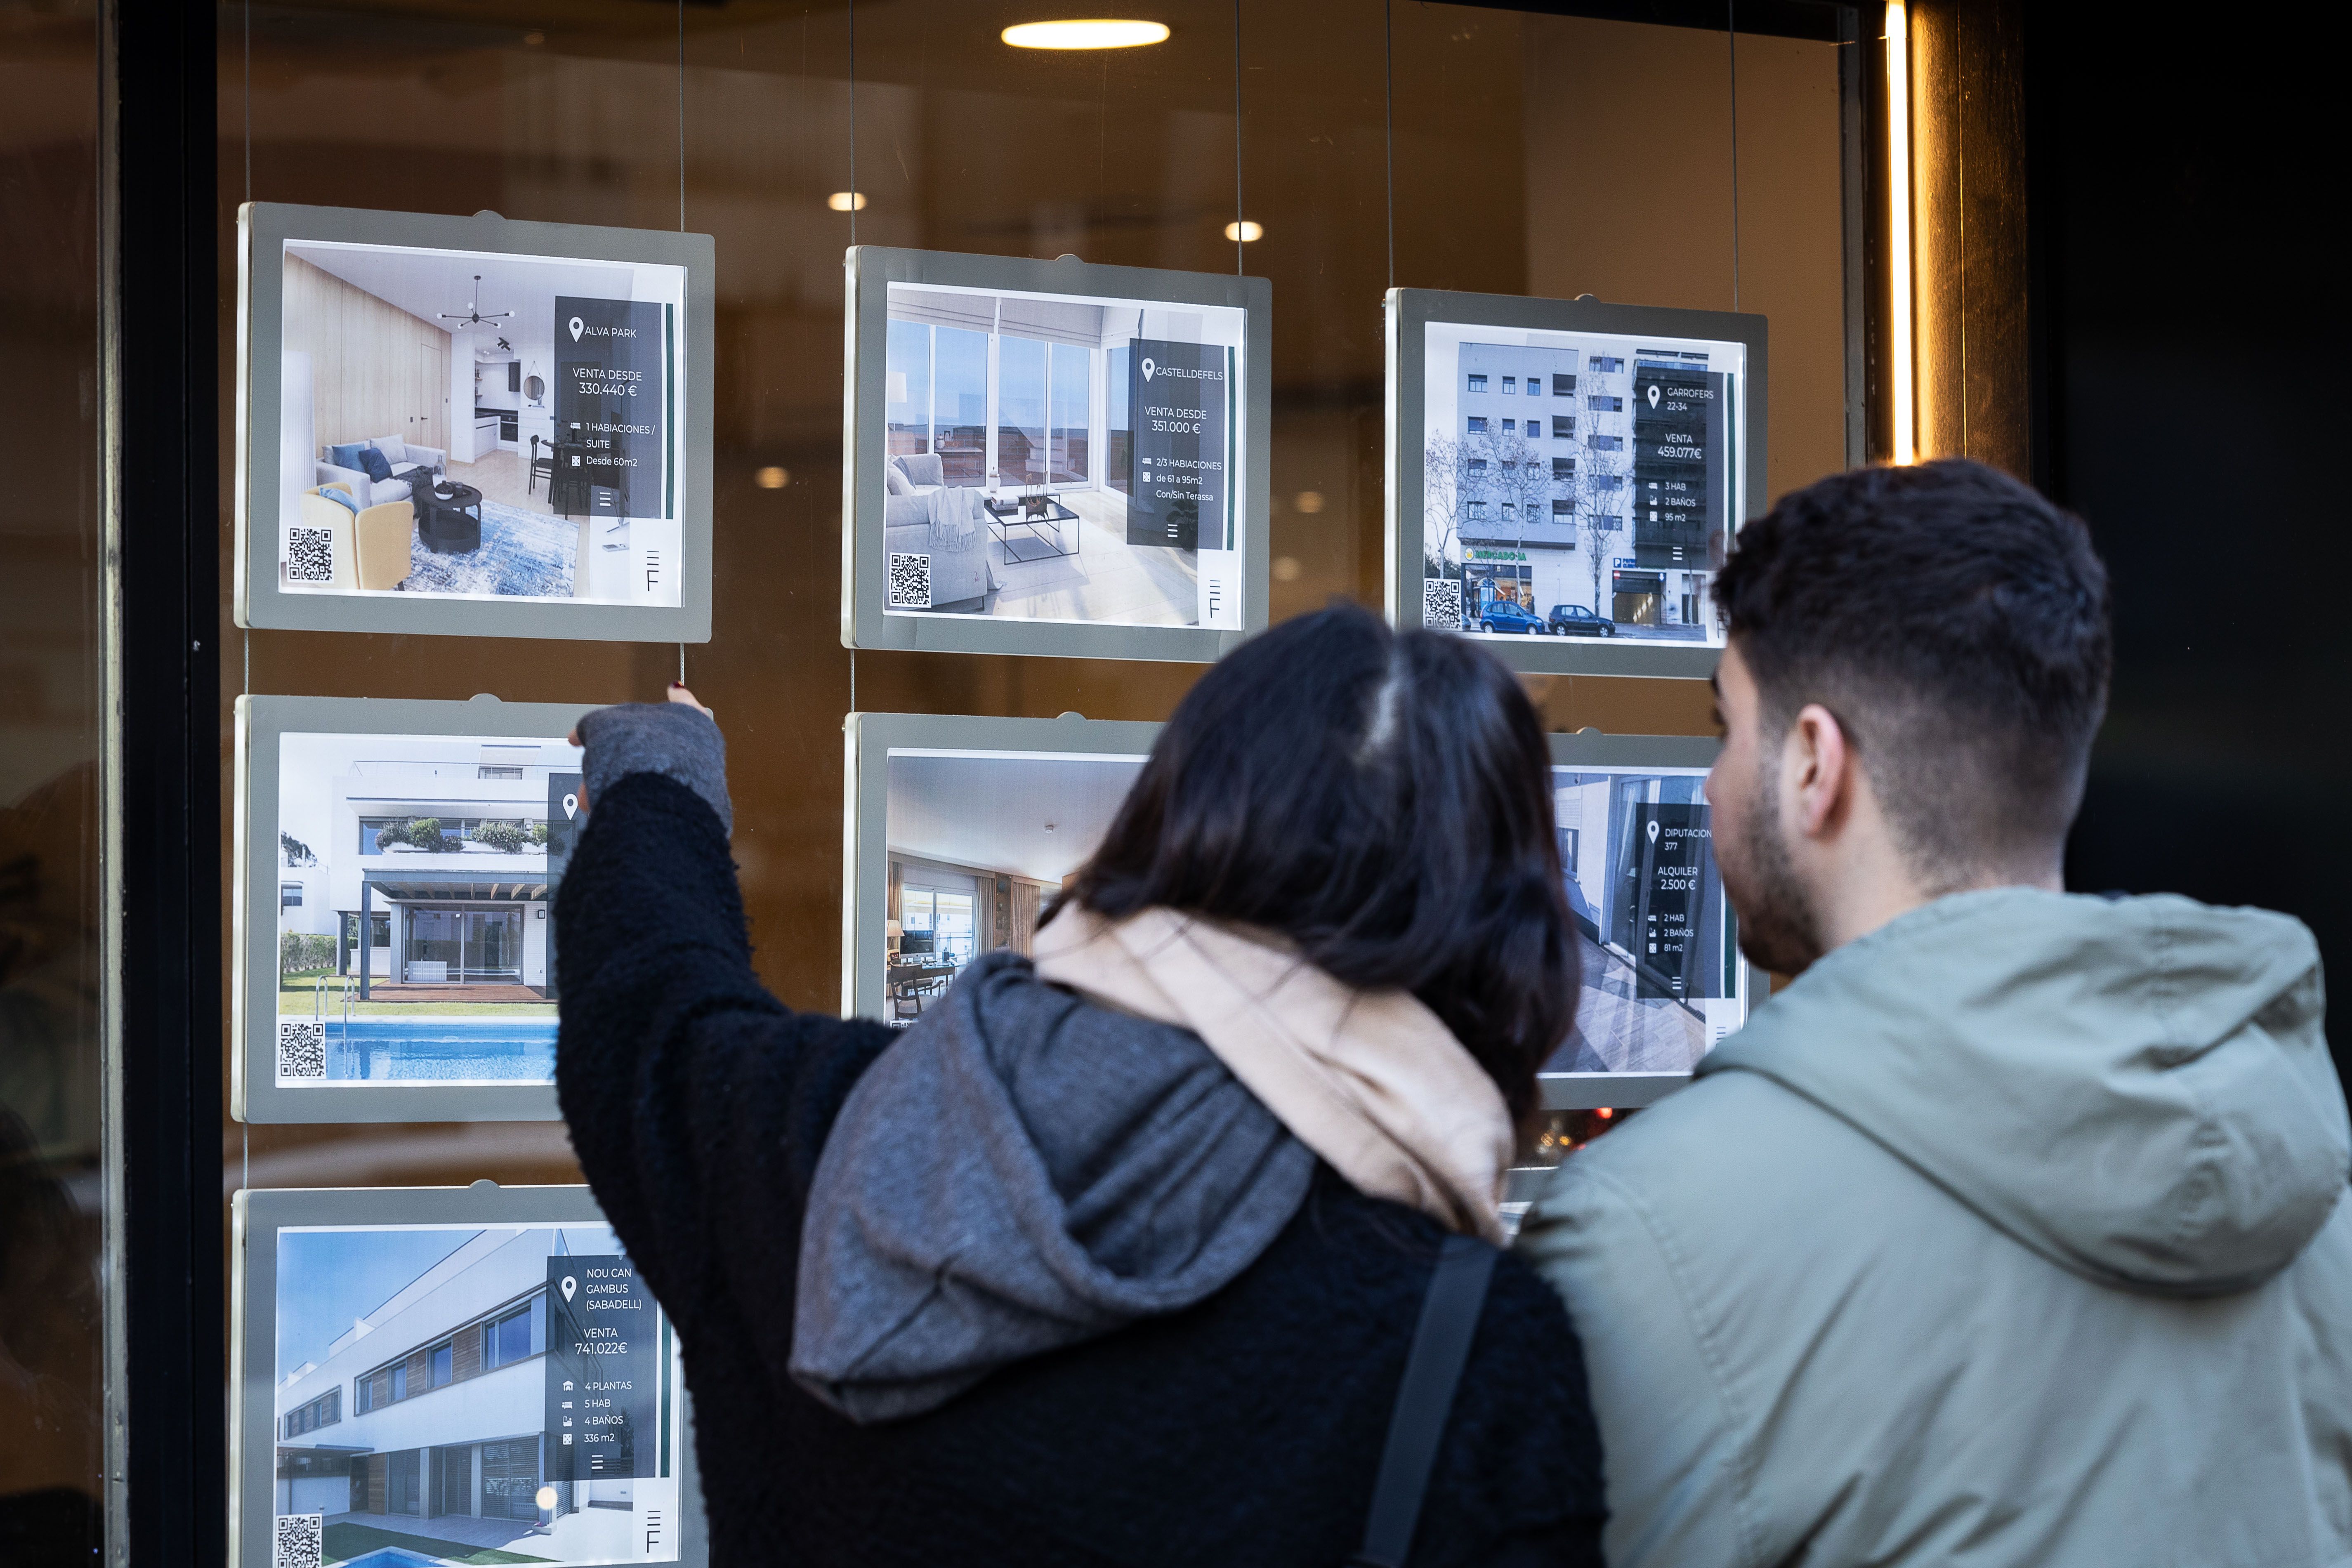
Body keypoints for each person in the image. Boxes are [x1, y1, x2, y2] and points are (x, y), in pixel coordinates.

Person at [554, 604, 1608, 1567]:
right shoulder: (1479, 1350)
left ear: (1170, 816)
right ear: (1504, 923)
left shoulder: (828, 1141)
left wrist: (663, 773)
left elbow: (646, 998)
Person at [1516, 458, 2352, 1566]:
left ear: (1814, 762)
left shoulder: (1645, 1233)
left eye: (1724, 729)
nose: (1710, 784)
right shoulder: (2310, 1192)